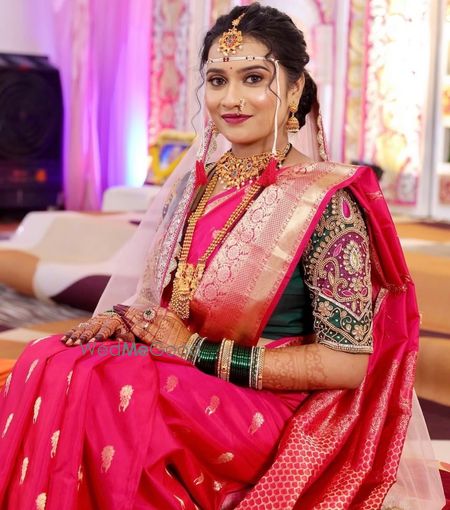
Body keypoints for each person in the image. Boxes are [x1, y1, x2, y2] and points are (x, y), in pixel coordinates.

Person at [0, 4, 444, 509]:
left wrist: (195, 352)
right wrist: (129, 323)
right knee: (50, 360)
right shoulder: (195, 186)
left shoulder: (328, 204)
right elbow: (169, 304)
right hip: (182, 379)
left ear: (295, 89)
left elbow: (346, 364)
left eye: (253, 78)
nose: (230, 99)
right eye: (217, 80)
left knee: (111, 391)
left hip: (273, 409)